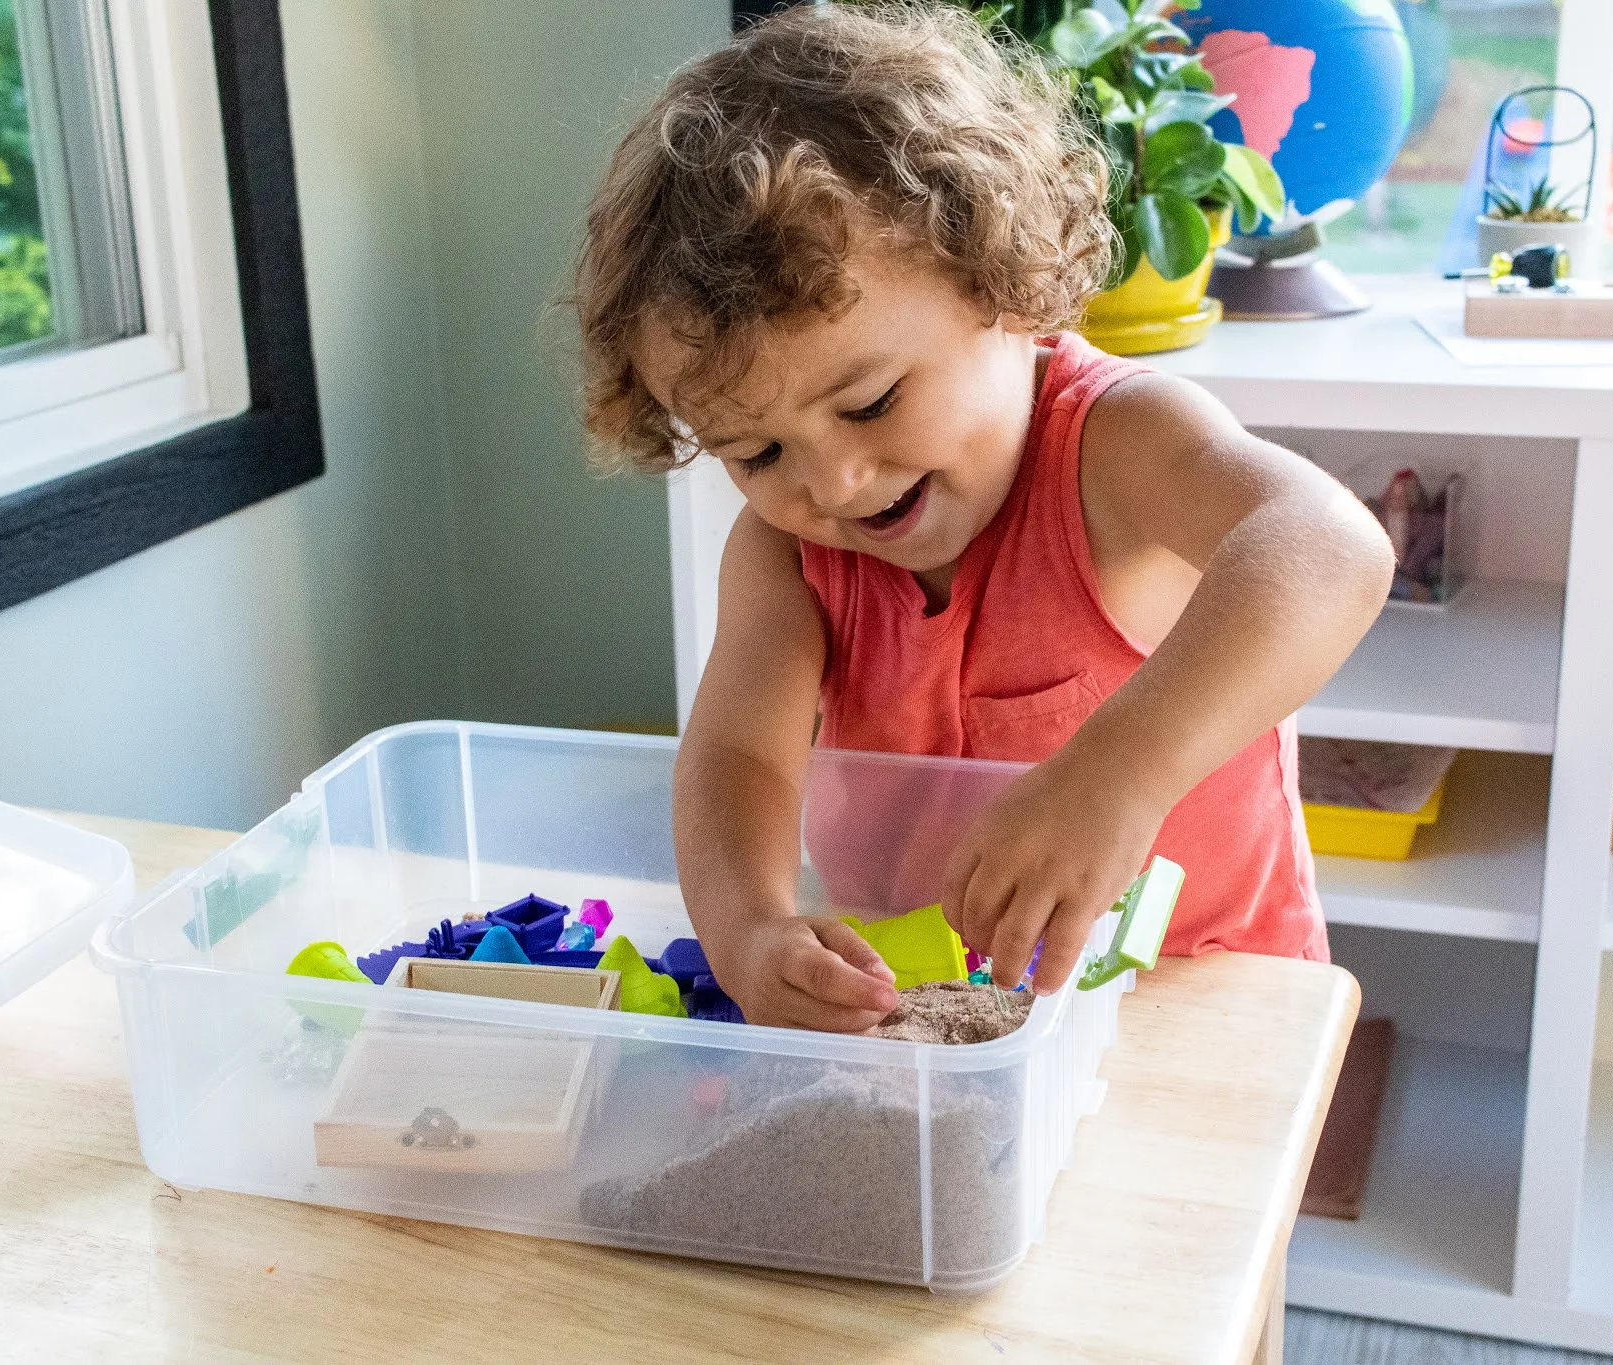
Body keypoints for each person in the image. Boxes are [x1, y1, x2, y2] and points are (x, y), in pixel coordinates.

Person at [574, 3, 1393, 1031]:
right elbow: (739, 754)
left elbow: (1326, 546)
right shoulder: (784, 556)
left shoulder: (1114, 448)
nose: (830, 483)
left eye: (869, 403)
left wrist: (1113, 775)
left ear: (1001, 288)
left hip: (1195, 996)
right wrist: (746, 931)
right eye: (756, 452)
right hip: (925, 1013)